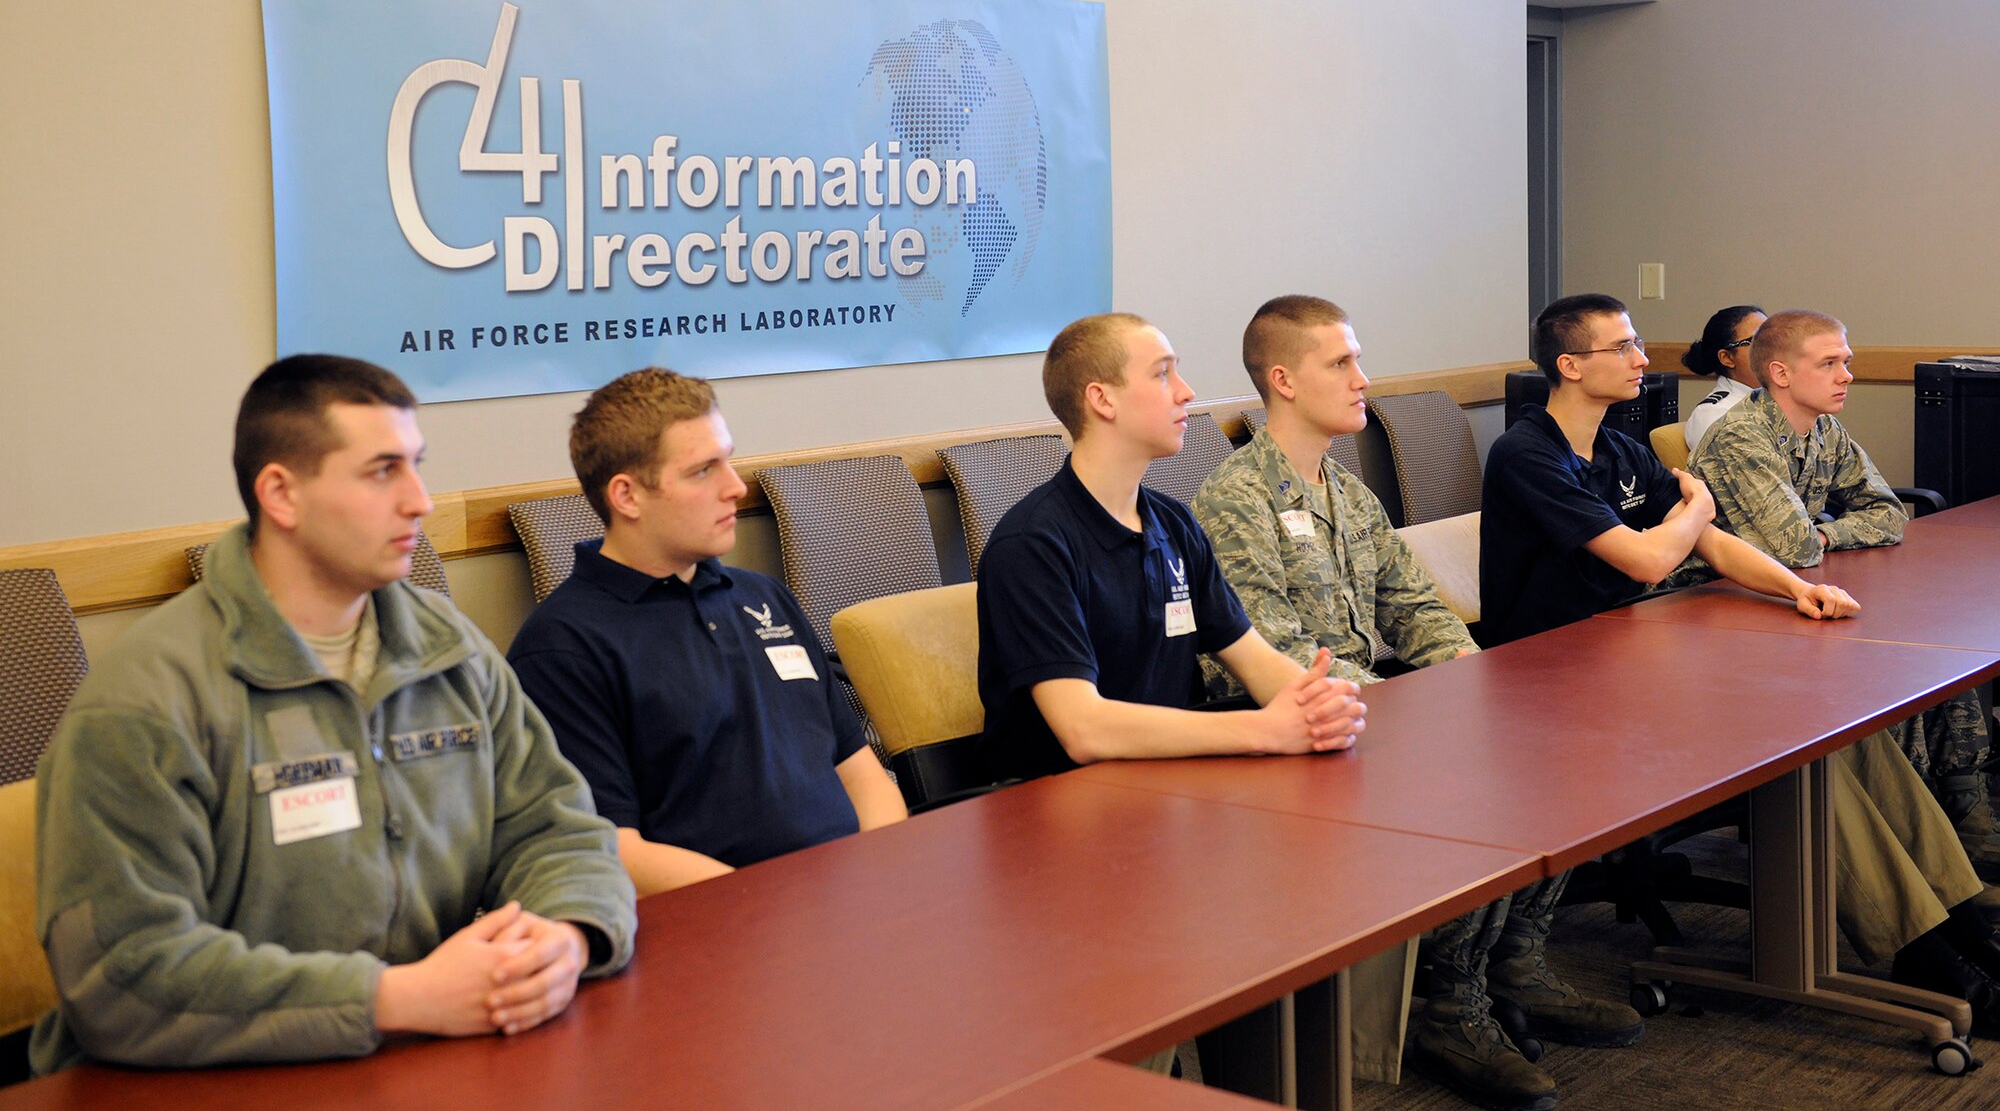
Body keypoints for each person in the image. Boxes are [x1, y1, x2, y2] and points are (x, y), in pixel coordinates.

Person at [31, 356, 635, 1073]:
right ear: (281, 493)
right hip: (197, 1081)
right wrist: (395, 996)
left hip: (417, 1058)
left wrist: (565, 934)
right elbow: (123, 976)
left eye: (417, 465)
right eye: (383, 471)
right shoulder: (146, 700)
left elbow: (557, 830)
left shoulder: (451, 647)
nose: (420, 500)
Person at [1482, 296, 2000, 1027]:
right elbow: (1648, 556)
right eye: (1623, 347)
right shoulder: (1528, 452)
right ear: (1570, 365)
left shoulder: (1621, 449)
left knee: (1842, 735)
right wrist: (1693, 511)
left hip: (1639, 655)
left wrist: (1797, 591)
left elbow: (1714, 544)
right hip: (1557, 686)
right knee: (1795, 738)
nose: (1643, 359)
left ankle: (1958, 919)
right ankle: (1919, 945)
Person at [1195, 296, 1613, 1111]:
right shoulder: (1235, 498)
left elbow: (1415, 608)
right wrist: (1431, 722)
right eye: (1341, 364)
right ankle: (1454, 1008)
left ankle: (1512, 962)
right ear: (1282, 379)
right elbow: (1273, 657)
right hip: (1295, 734)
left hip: (1375, 715)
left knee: (1548, 745)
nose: (1365, 380)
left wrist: (1480, 691)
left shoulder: (1347, 493)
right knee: (1480, 785)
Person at [509, 368, 906, 896]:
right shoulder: (564, 646)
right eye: (703, 471)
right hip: (717, 926)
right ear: (626, 496)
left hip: (851, 896)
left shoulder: (763, 598)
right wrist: (769, 908)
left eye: (729, 459)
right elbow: (613, 851)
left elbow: (862, 774)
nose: (736, 487)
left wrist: (880, 876)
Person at [976, 312, 1367, 785]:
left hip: (1171, 786)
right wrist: (1264, 729)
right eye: (1163, 374)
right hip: (1060, 806)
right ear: (1102, 399)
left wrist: (1317, 705)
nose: (1186, 391)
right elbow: (1084, 730)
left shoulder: (1174, 523)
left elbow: (1254, 659)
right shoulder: (1031, 545)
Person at [1691, 310, 1997, 870]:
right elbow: (1790, 550)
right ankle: (1916, 835)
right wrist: (1816, 540)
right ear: (1780, 373)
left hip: (1793, 598)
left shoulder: (1824, 429)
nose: (1847, 376)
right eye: (1829, 363)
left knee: (1939, 653)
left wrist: (1826, 532)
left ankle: (1959, 813)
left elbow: (1886, 514)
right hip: (1719, 614)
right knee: (1886, 673)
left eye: (1848, 362)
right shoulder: (1740, 437)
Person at [1681, 305, 1765, 456]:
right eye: (1758, 341)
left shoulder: (1776, 400)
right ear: (1727, 358)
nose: (1775, 349)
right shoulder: (1715, 415)